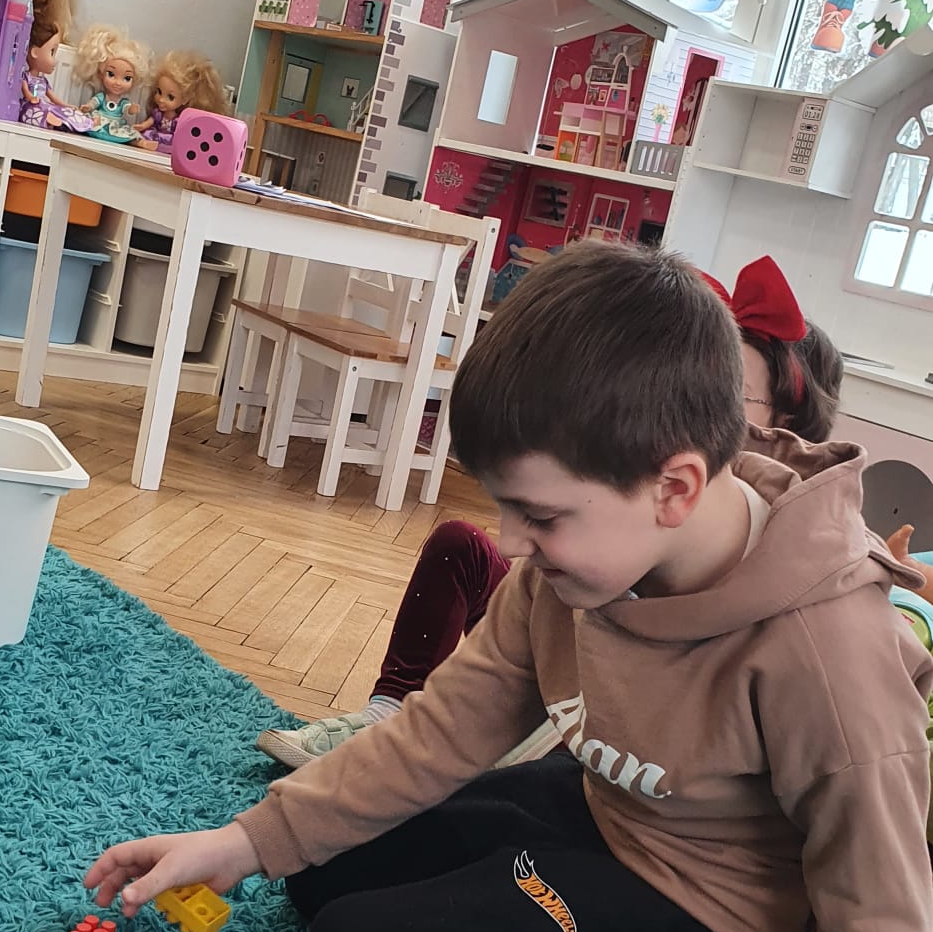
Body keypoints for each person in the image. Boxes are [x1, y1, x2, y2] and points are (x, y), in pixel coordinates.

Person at [86, 244, 933, 932]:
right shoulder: (573, 563)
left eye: (540, 516)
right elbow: (441, 728)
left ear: (675, 490)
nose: (508, 545)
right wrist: (243, 842)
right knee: (316, 869)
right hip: (608, 807)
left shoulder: (828, 657)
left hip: (718, 916)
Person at [256, 254, 845, 770]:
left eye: (734, 392)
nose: (706, 402)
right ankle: (389, 710)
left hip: (608, 706)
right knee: (461, 546)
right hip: (565, 635)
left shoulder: (756, 554)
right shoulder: (611, 508)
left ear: (785, 419)